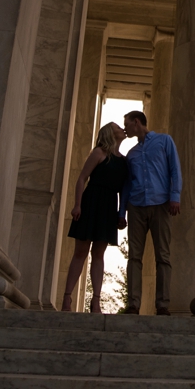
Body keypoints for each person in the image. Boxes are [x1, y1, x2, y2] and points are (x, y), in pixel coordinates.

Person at [62, 122, 130, 313]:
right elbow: (82, 178)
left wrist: (121, 213)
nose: (121, 129)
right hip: (91, 201)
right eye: (118, 127)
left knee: (99, 255)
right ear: (110, 132)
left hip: (109, 206)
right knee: (81, 251)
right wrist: (77, 204)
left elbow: (124, 189)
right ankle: (67, 298)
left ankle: (96, 301)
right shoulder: (98, 153)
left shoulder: (124, 161)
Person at [120, 110, 182, 315]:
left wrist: (175, 196)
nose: (125, 129)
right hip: (136, 207)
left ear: (136, 122)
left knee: (162, 255)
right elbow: (127, 185)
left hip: (161, 204)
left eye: (127, 124)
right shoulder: (132, 154)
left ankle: (162, 304)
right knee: (134, 257)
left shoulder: (165, 141)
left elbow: (175, 169)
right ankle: (133, 304)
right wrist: (122, 212)